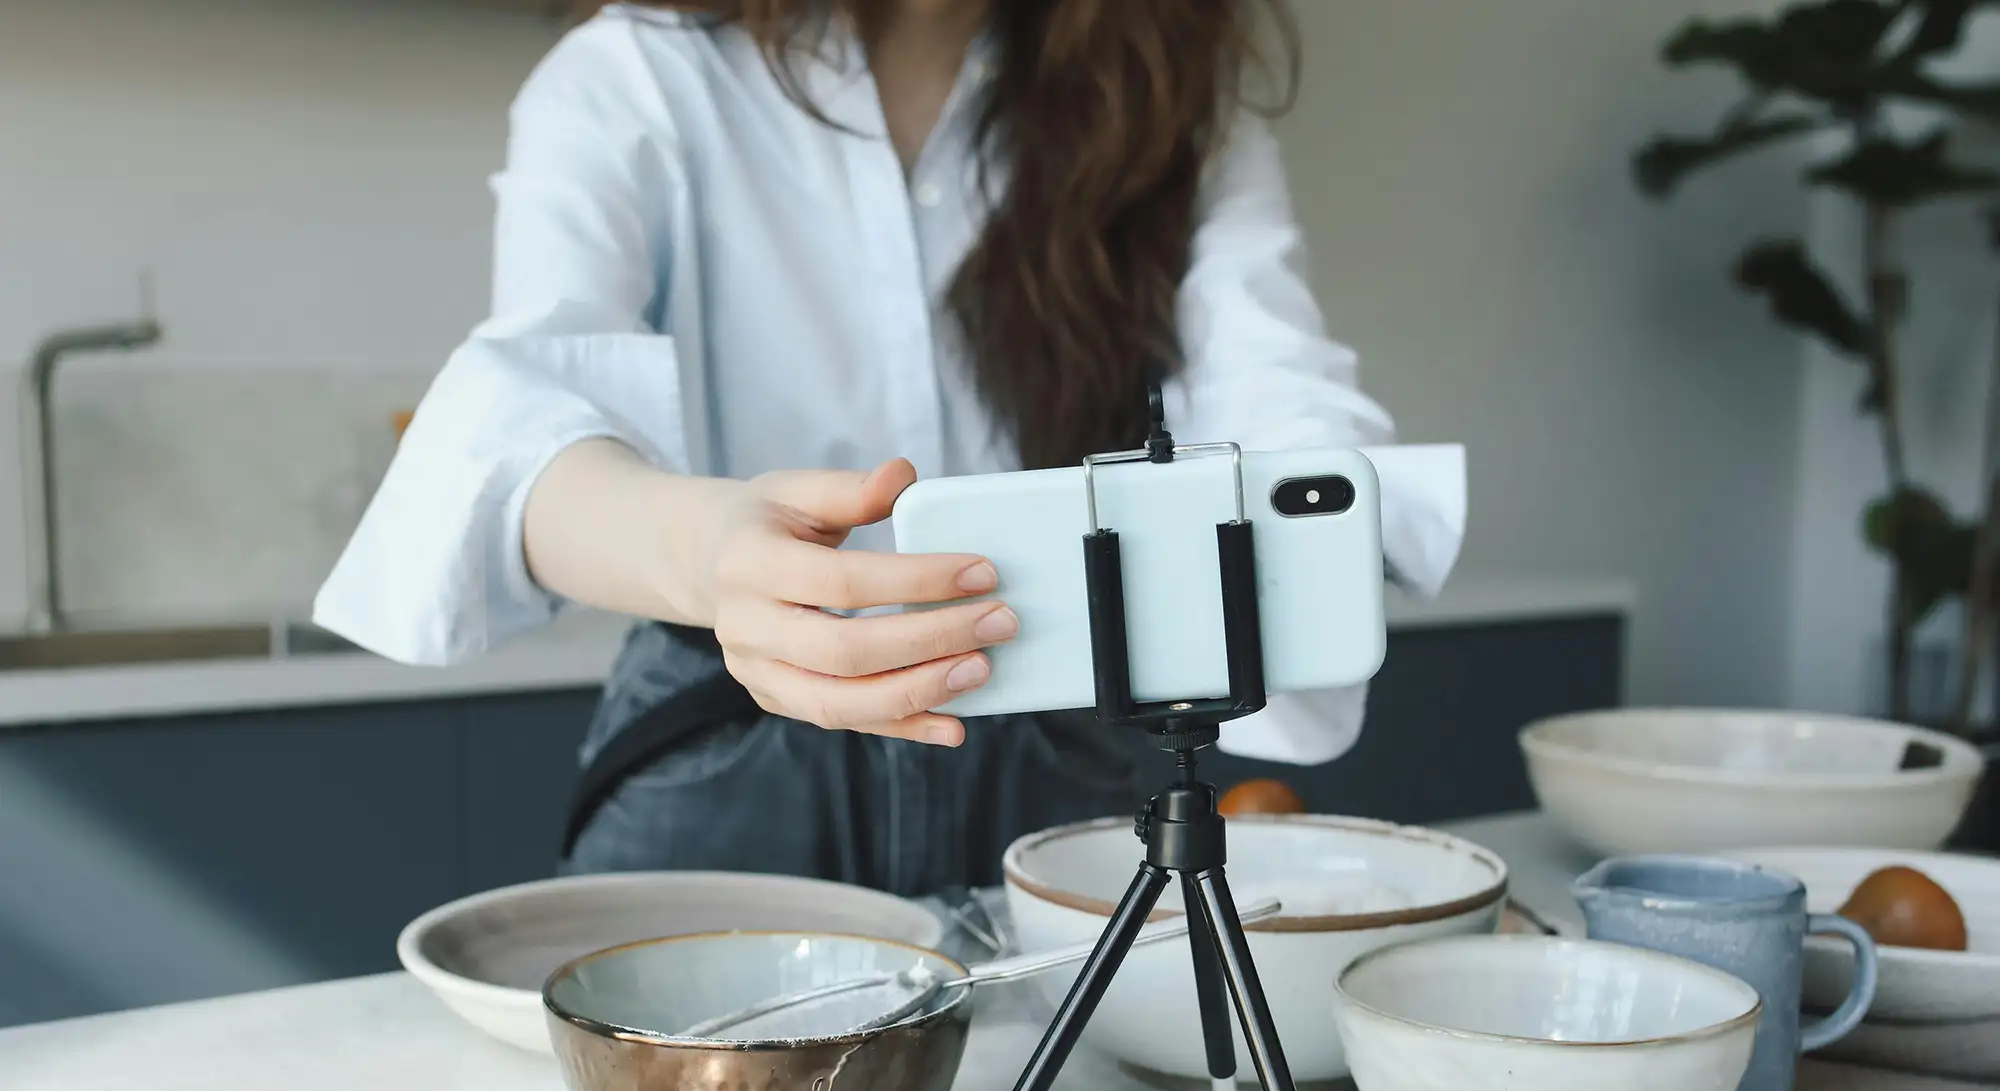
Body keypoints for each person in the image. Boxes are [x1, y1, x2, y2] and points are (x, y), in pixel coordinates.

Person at [314, 0, 1458, 895]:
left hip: (1063, 745)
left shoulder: (1165, 101)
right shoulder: (636, 74)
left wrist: (1317, 528)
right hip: (729, 742)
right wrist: (711, 553)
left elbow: (1282, 399)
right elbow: (523, 424)